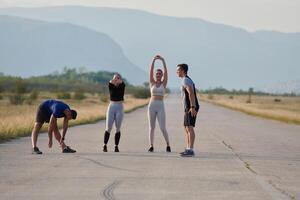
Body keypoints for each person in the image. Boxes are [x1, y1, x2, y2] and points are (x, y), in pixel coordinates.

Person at [147, 55, 171, 152]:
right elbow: (151, 70)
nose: (158, 75)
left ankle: (168, 144)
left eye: (159, 74)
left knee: (162, 127)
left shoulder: (163, 83)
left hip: (160, 106)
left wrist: (163, 60)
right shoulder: (152, 82)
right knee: (151, 127)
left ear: (161, 76)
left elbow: (166, 72)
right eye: (156, 74)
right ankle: (151, 145)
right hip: (151, 106)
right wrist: (153, 60)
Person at [176, 63, 199, 157]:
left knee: (190, 128)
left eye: (178, 70)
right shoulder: (185, 80)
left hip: (191, 108)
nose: (176, 72)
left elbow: (191, 93)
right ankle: (188, 148)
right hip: (188, 108)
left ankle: (191, 150)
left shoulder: (186, 80)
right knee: (186, 128)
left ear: (183, 70)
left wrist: (193, 107)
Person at [103, 73, 125, 152]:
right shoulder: (111, 85)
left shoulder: (122, 86)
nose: (117, 79)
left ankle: (116, 146)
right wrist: (114, 79)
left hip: (119, 106)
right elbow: (110, 81)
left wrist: (118, 80)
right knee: (108, 127)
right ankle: (105, 145)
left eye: (118, 78)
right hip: (112, 106)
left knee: (118, 128)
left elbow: (121, 82)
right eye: (115, 78)